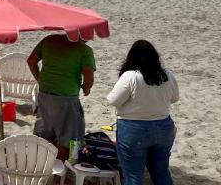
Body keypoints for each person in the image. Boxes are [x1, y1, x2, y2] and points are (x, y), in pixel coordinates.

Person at [106, 40, 179, 185]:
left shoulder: (131, 76)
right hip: (164, 126)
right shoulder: (167, 75)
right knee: (161, 172)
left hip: (133, 129)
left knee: (133, 175)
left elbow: (113, 100)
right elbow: (175, 98)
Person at [27, 34, 96, 160]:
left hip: (44, 95)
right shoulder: (84, 50)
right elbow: (88, 77)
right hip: (66, 99)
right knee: (72, 138)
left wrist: (40, 79)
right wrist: (87, 87)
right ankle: (65, 171)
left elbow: (31, 61)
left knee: (44, 135)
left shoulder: (49, 40)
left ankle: (43, 167)